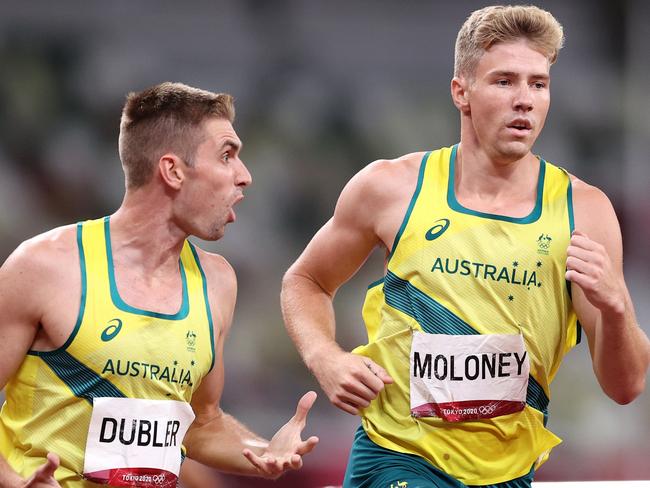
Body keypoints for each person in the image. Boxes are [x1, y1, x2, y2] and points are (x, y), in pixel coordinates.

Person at [281, 5, 650, 487]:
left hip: (509, 471)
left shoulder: (585, 211)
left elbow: (626, 387)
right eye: (504, 82)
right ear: (462, 92)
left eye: (538, 84)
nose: (525, 100)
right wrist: (325, 356)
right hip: (399, 455)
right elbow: (305, 280)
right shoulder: (391, 188)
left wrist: (618, 307)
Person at [0, 82, 319, 487]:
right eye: (227, 156)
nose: (244, 176)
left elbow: (203, 424)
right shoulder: (45, 267)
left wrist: (264, 451)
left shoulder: (216, 282)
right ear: (172, 170)